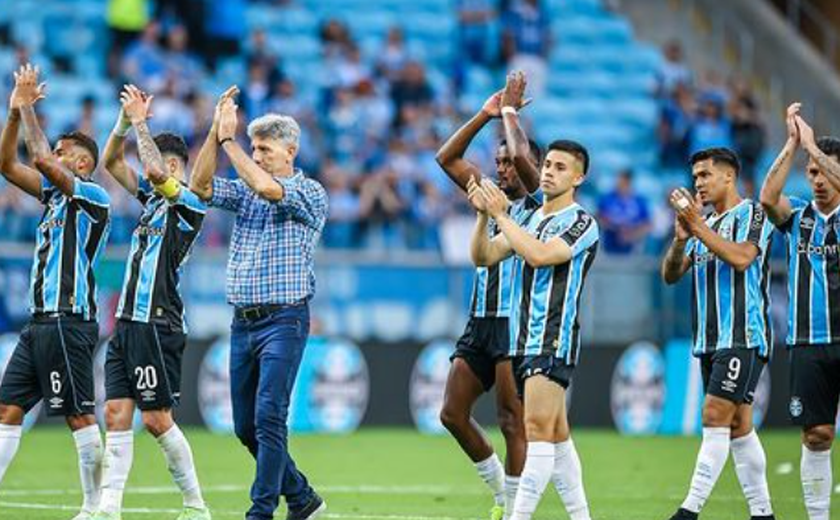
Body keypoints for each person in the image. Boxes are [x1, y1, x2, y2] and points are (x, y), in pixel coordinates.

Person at [91, 84, 228, 520]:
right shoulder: (152, 202)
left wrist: (141, 123)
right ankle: (108, 509)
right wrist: (122, 123)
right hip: (127, 320)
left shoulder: (188, 204)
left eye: (157, 160)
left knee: (156, 420)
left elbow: (150, 172)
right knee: (115, 413)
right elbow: (110, 162)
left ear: (173, 166)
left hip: (158, 321)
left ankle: (195, 504)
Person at [189, 92, 329, 520]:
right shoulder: (247, 189)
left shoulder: (310, 191)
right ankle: (302, 498)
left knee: (270, 417)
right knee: (245, 427)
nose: (257, 155)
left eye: (264, 148)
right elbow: (200, 186)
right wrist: (216, 134)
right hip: (243, 322)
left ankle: (261, 512)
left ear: (291, 151)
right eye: (254, 148)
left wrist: (231, 144)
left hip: (284, 319)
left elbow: (268, 188)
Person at [0, 64, 111, 520]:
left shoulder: (93, 197)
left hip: (68, 319)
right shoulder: (53, 198)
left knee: (79, 416)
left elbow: (41, 159)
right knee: (7, 409)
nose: (53, 155)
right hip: (39, 321)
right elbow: (6, 165)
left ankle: (94, 507)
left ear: (81, 163)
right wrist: (12, 115)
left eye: (64, 151)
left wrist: (27, 109)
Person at [470, 139, 597, 520]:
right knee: (556, 436)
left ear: (579, 177)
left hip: (552, 335)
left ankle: (517, 516)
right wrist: (482, 216)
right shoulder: (530, 220)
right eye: (547, 165)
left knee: (538, 429)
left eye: (560, 167)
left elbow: (542, 256)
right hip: (525, 338)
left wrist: (503, 215)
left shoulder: (580, 221)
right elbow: (483, 256)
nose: (549, 172)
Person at [435, 72, 537, 520]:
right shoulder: (487, 192)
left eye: (509, 162)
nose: (501, 169)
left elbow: (524, 159)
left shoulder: (537, 201)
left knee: (512, 419)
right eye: (498, 163)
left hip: (516, 323)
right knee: (451, 414)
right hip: (481, 320)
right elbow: (446, 157)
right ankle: (501, 491)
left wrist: (512, 116)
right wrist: (485, 113)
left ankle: (516, 509)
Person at [661, 147, 776, 520]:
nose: (698, 184)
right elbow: (670, 274)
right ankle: (763, 514)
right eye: (695, 177)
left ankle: (688, 512)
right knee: (740, 428)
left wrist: (697, 227)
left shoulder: (753, 213)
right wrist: (681, 239)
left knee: (713, 417)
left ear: (729, 176)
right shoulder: (701, 223)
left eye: (705, 175)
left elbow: (743, 257)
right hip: (709, 340)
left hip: (742, 334)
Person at [759, 103, 840, 520]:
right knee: (817, 435)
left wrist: (813, 143)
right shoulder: (798, 217)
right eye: (812, 172)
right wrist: (793, 144)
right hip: (808, 340)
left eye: (826, 172)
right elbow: (767, 198)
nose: (818, 180)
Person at [597, 169, 651, 255]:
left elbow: (647, 225)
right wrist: (615, 229)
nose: (617, 183)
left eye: (621, 180)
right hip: (609, 242)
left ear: (628, 181)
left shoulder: (639, 201)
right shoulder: (607, 198)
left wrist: (631, 236)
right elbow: (599, 218)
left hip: (632, 246)